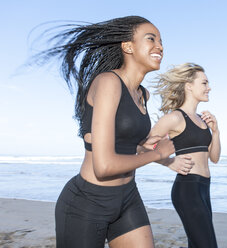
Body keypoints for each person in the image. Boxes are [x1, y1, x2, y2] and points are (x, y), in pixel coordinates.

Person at [32, 16, 193, 248]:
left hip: (128, 197)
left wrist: (150, 149)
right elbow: (104, 166)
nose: (160, 46)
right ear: (127, 46)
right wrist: (158, 155)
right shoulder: (108, 82)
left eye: (161, 40)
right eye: (151, 39)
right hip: (87, 202)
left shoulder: (143, 95)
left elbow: (127, 147)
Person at [149, 63, 221, 248]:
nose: (209, 87)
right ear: (189, 86)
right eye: (204, 83)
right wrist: (169, 162)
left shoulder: (202, 119)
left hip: (204, 188)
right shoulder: (174, 118)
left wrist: (216, 131)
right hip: (187, 189)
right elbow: (143, 148)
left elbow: (214, 158)